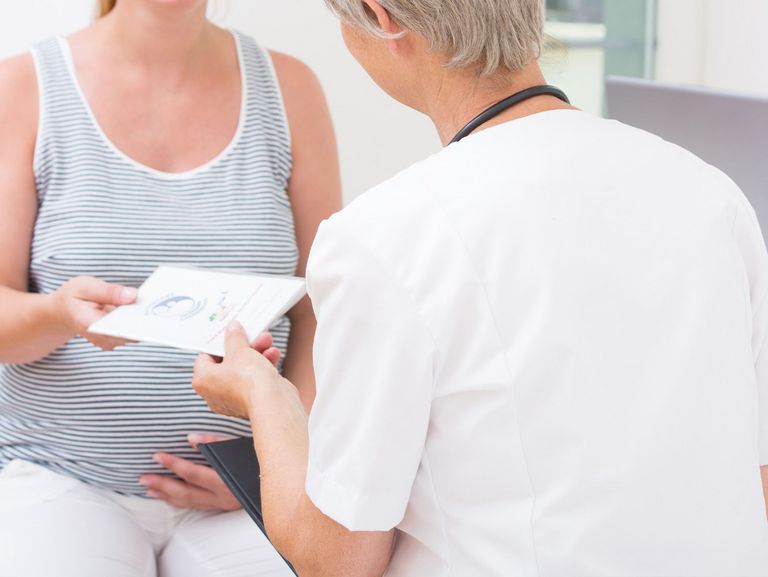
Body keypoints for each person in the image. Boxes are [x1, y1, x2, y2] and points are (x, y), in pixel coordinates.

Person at [192, 0, 768, 576]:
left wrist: (266, 398)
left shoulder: (383, 238)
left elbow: (338, 562)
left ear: (381, 17)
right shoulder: (713, 195)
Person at [0, 0, 340, 575]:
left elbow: (320, 309)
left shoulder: (291, 89)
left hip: (252, 485)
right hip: (64, 477)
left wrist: (280, 463)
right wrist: (61, 314)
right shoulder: (23, 86)